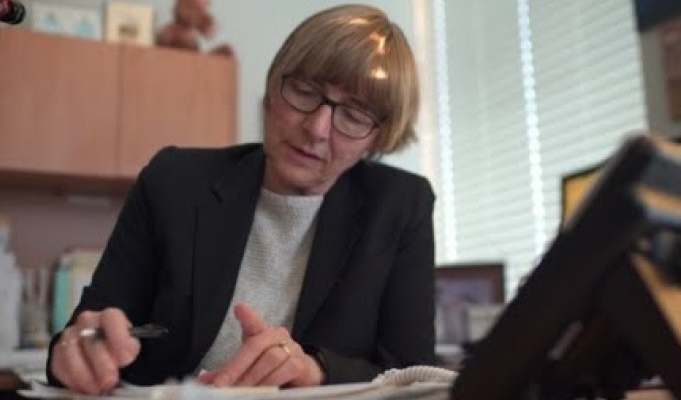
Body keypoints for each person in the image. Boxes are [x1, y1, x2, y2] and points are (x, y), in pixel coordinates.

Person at [46, 4, 436, 395]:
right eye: (304, 91)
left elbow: (414, 374)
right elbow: (86, 332)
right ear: (272, 90)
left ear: (378, 138)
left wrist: (315, 370)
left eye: (354, 115)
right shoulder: (173, 182)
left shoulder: (401, 206)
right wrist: (76, 350)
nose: (317, 128)